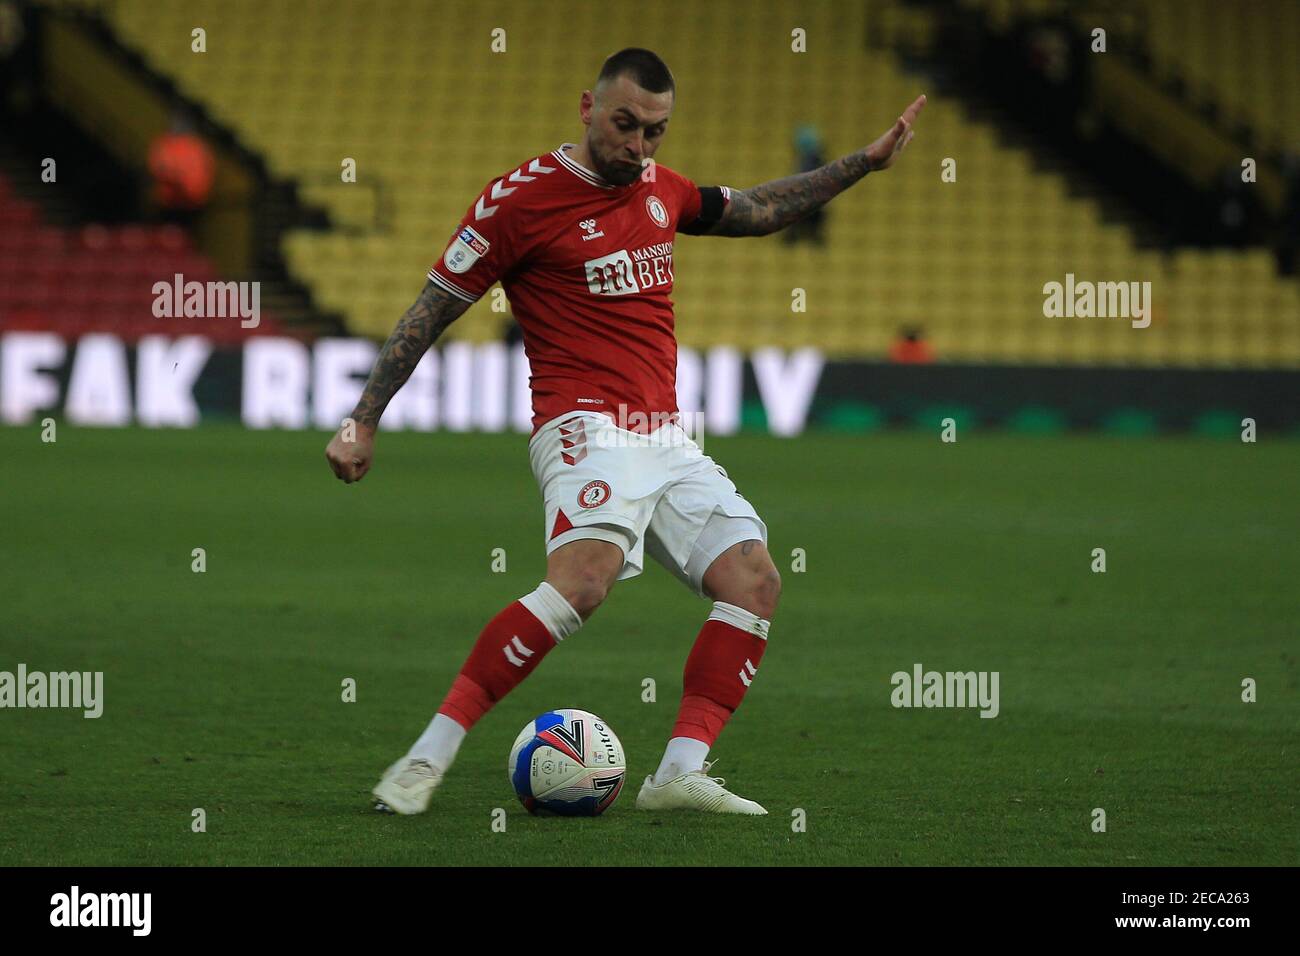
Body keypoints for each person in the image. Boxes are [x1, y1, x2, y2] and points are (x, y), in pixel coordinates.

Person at [325, 48, 925, 815]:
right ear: (586, 106)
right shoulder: (518, 201)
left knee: (754, 581)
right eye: (625, 125)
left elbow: (761, 209)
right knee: (583, 580)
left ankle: (676, 774)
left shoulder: (659, 189)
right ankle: (424, 759)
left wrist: (862, 164)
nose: (638, 147)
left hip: (663, 434)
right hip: (581, 424)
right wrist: (361, 421)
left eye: (656, 132)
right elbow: (432, 307)